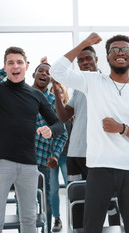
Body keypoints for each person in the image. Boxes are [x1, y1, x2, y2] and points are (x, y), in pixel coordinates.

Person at [50, 32, 129, 233]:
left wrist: (122, 129)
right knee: (92, 227)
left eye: (125, 49)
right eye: (114, 50)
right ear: (107, 57)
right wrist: (84, 43)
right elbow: (56, 71)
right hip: (99, 169)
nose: (120, 53)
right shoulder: (93, 81)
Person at [53, 46, 120, 229]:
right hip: (76, 153)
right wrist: (56, 90)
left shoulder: (107, 82)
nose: (85, 63)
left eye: (88, 58)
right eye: (81, 61)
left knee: (108, 201)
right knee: (77, 201)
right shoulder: (78, 87)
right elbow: (64, 116)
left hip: (100, 154)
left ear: (96, 59)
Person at [0, 46, 64, 232]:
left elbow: (58, 124)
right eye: (10, 62)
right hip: (2, 162)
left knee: (29, 218)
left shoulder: (36, 95)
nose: (15, 66)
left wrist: (50, 130)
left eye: (19, 62)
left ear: (27, 66)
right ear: (4, 67)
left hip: (29, 164)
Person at [32, 62, 69, 233]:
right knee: (24, 201)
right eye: (41, 70)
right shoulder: (21, 95)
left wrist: (55, 155)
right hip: (20, 158)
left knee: (46, 199)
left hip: (43, 160)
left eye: (48, 72)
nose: (44, 74)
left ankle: (47, 228)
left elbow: (63, 133)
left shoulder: (55, 102)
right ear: (33, 74)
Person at [50, 82, 72, 232]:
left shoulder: (70, 113)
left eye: (60, 92)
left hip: (65, 156)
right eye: (53, 93)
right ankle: (57, 219)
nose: (57, 95)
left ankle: (73, 216)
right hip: (50, 158)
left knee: (71, 188)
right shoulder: (46, 113)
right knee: (53, 189)